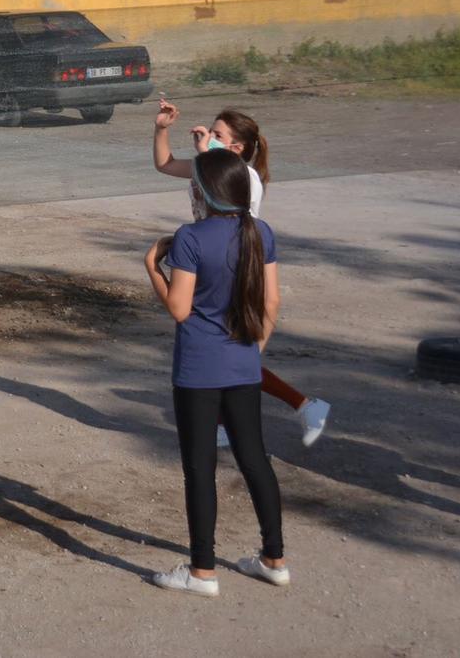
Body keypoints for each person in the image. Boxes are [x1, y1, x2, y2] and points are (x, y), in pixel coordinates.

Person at [144, 149, 290, 597]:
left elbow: (179, 308)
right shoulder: (261, 232)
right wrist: (252, 351)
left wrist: (152, 267)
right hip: (243, 364)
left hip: (198, 369)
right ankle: (274, 559)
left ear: (203, 191)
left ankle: (203, 570)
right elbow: (271, 302)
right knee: (255, 459)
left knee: (200, 467)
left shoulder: (189, 238)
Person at [153, 99, 331, 448]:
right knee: (224, 350)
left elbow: (236, 223)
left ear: (236, 148)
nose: (207, 136)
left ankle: (300, 405)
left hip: (233, 265)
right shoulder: (208, 168)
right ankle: (292, 408)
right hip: (208, 258)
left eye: (217, 135)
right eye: (210, 131)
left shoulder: (243, 177)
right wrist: (161, 129)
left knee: (225, 351)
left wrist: (205, 153)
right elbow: (165, 164)